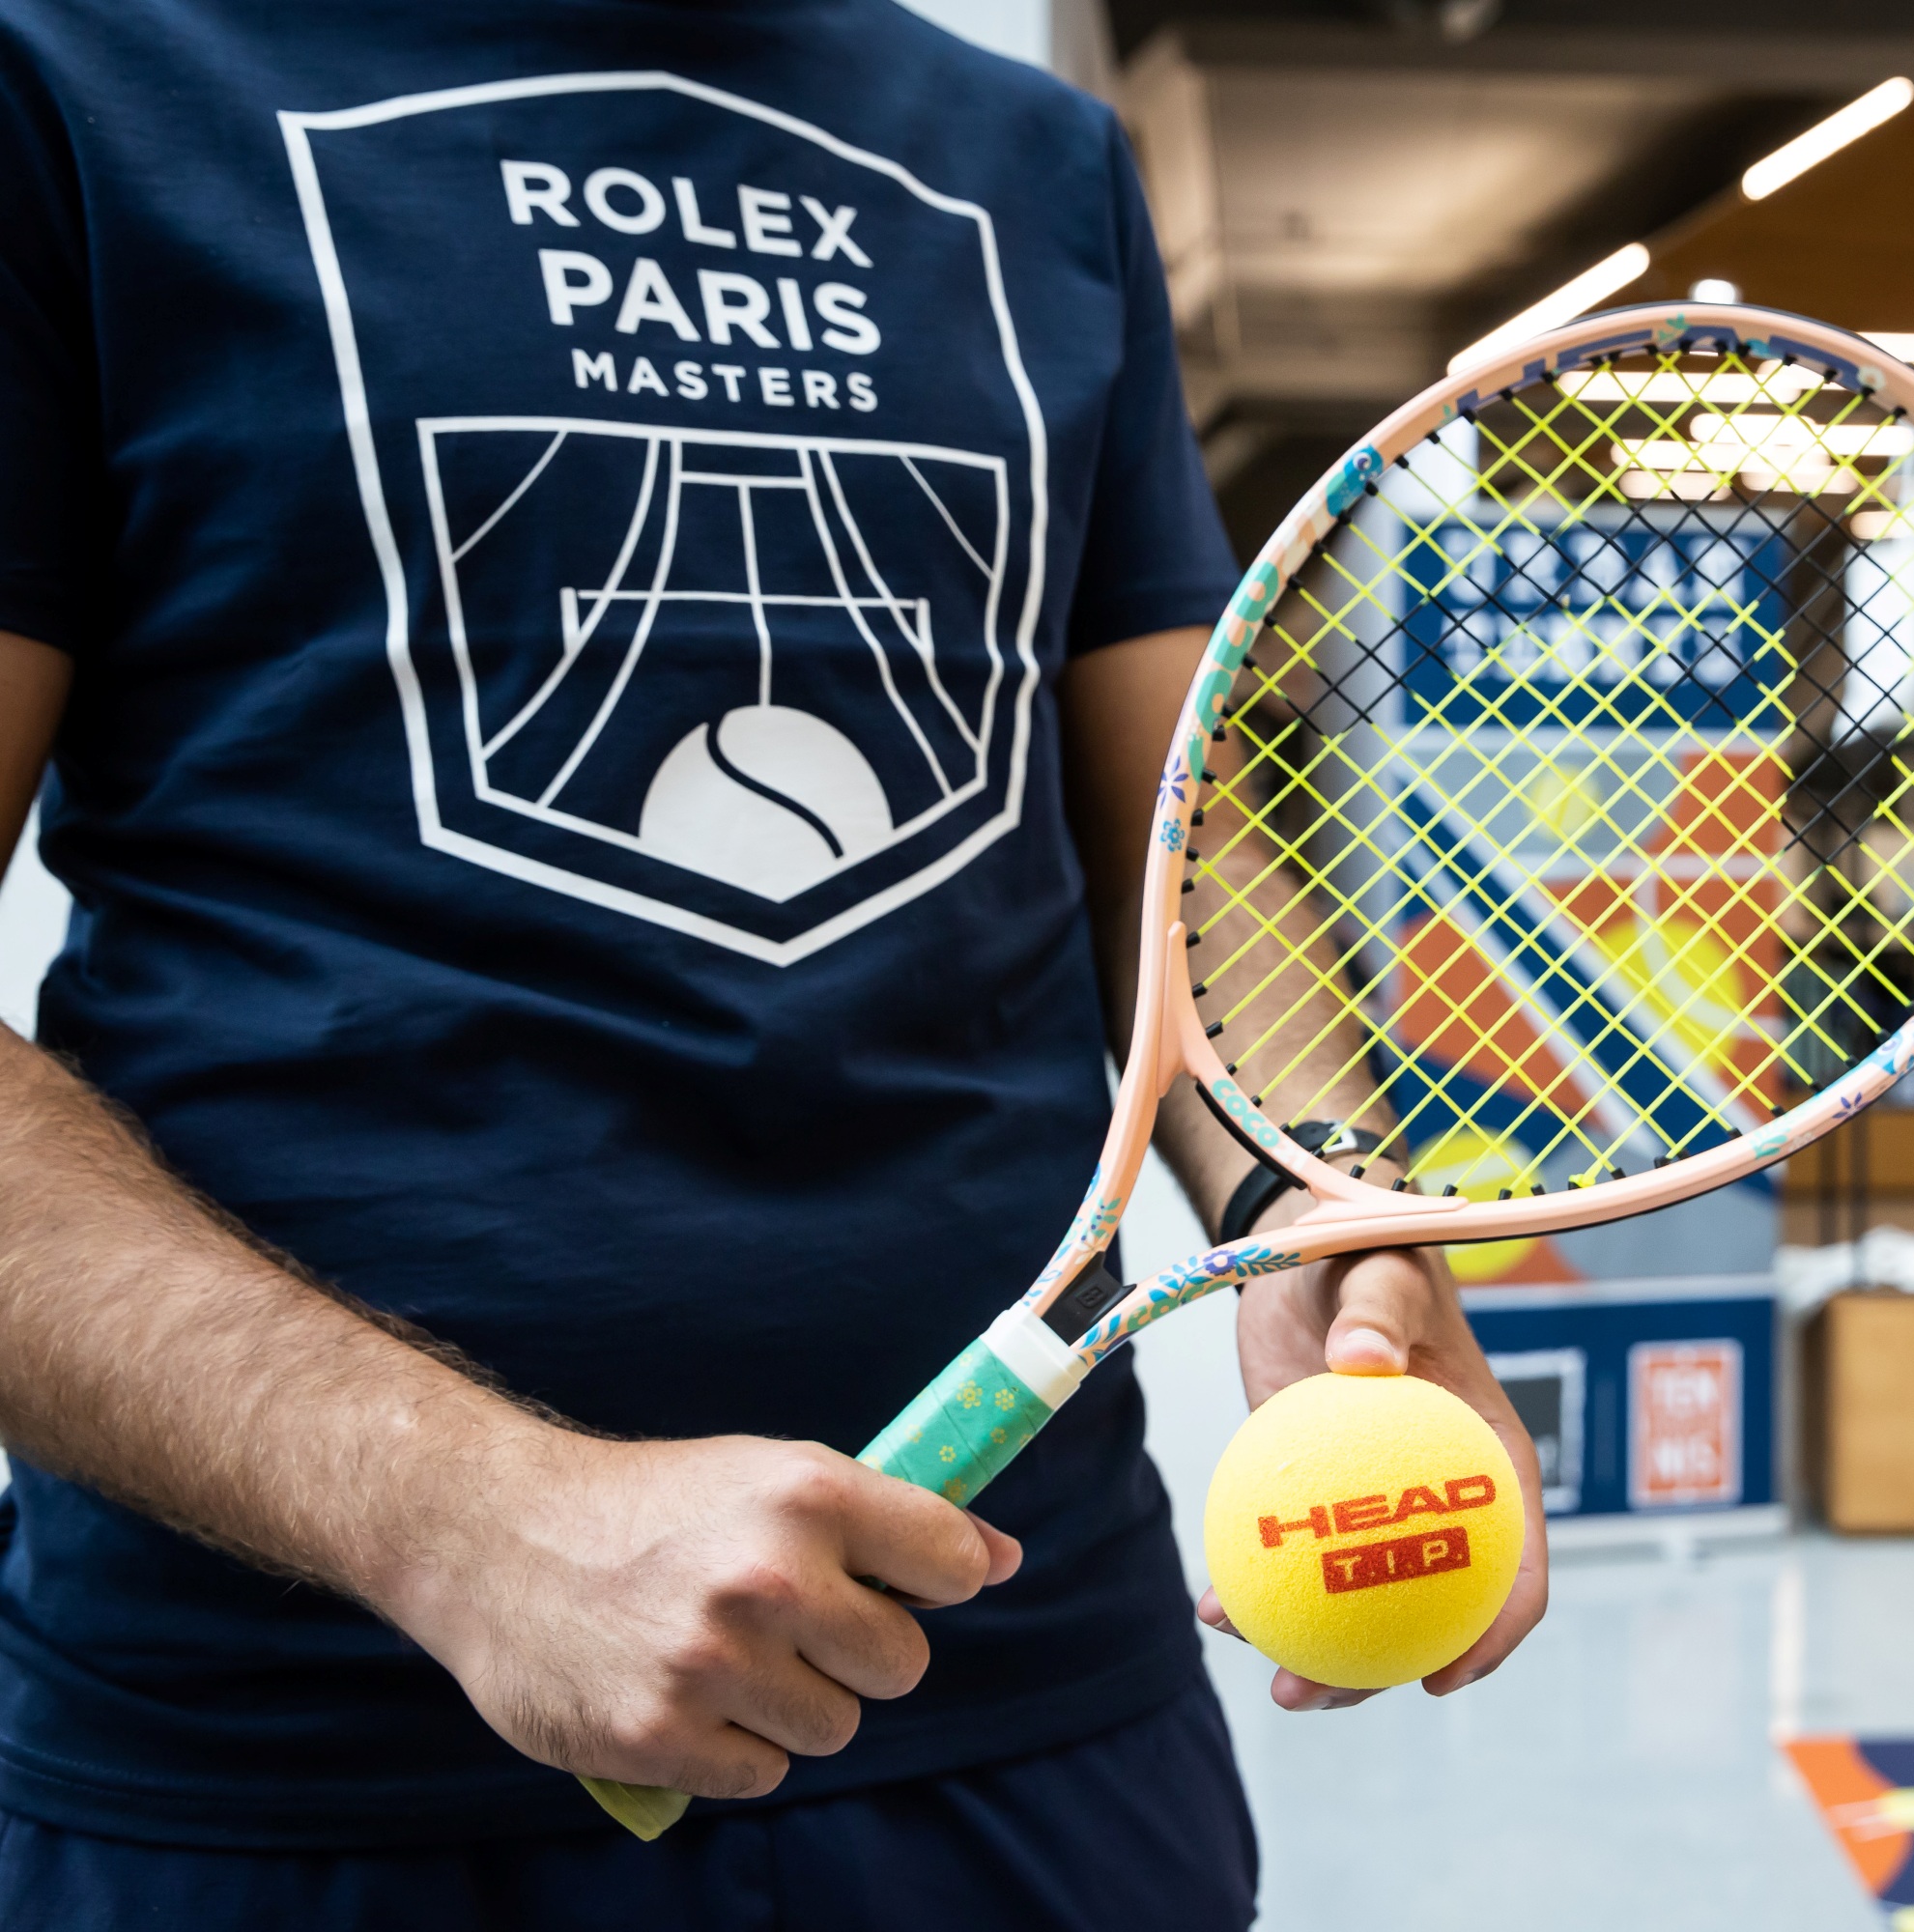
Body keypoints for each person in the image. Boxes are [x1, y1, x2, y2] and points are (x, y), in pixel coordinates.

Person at [0, 2, 1545, 1924]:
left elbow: (1189, 847)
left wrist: (1319, 1202)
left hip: (1025, 1691)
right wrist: (458, 1511)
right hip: (292, 1762)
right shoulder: (79, 77)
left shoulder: (1035, 160)